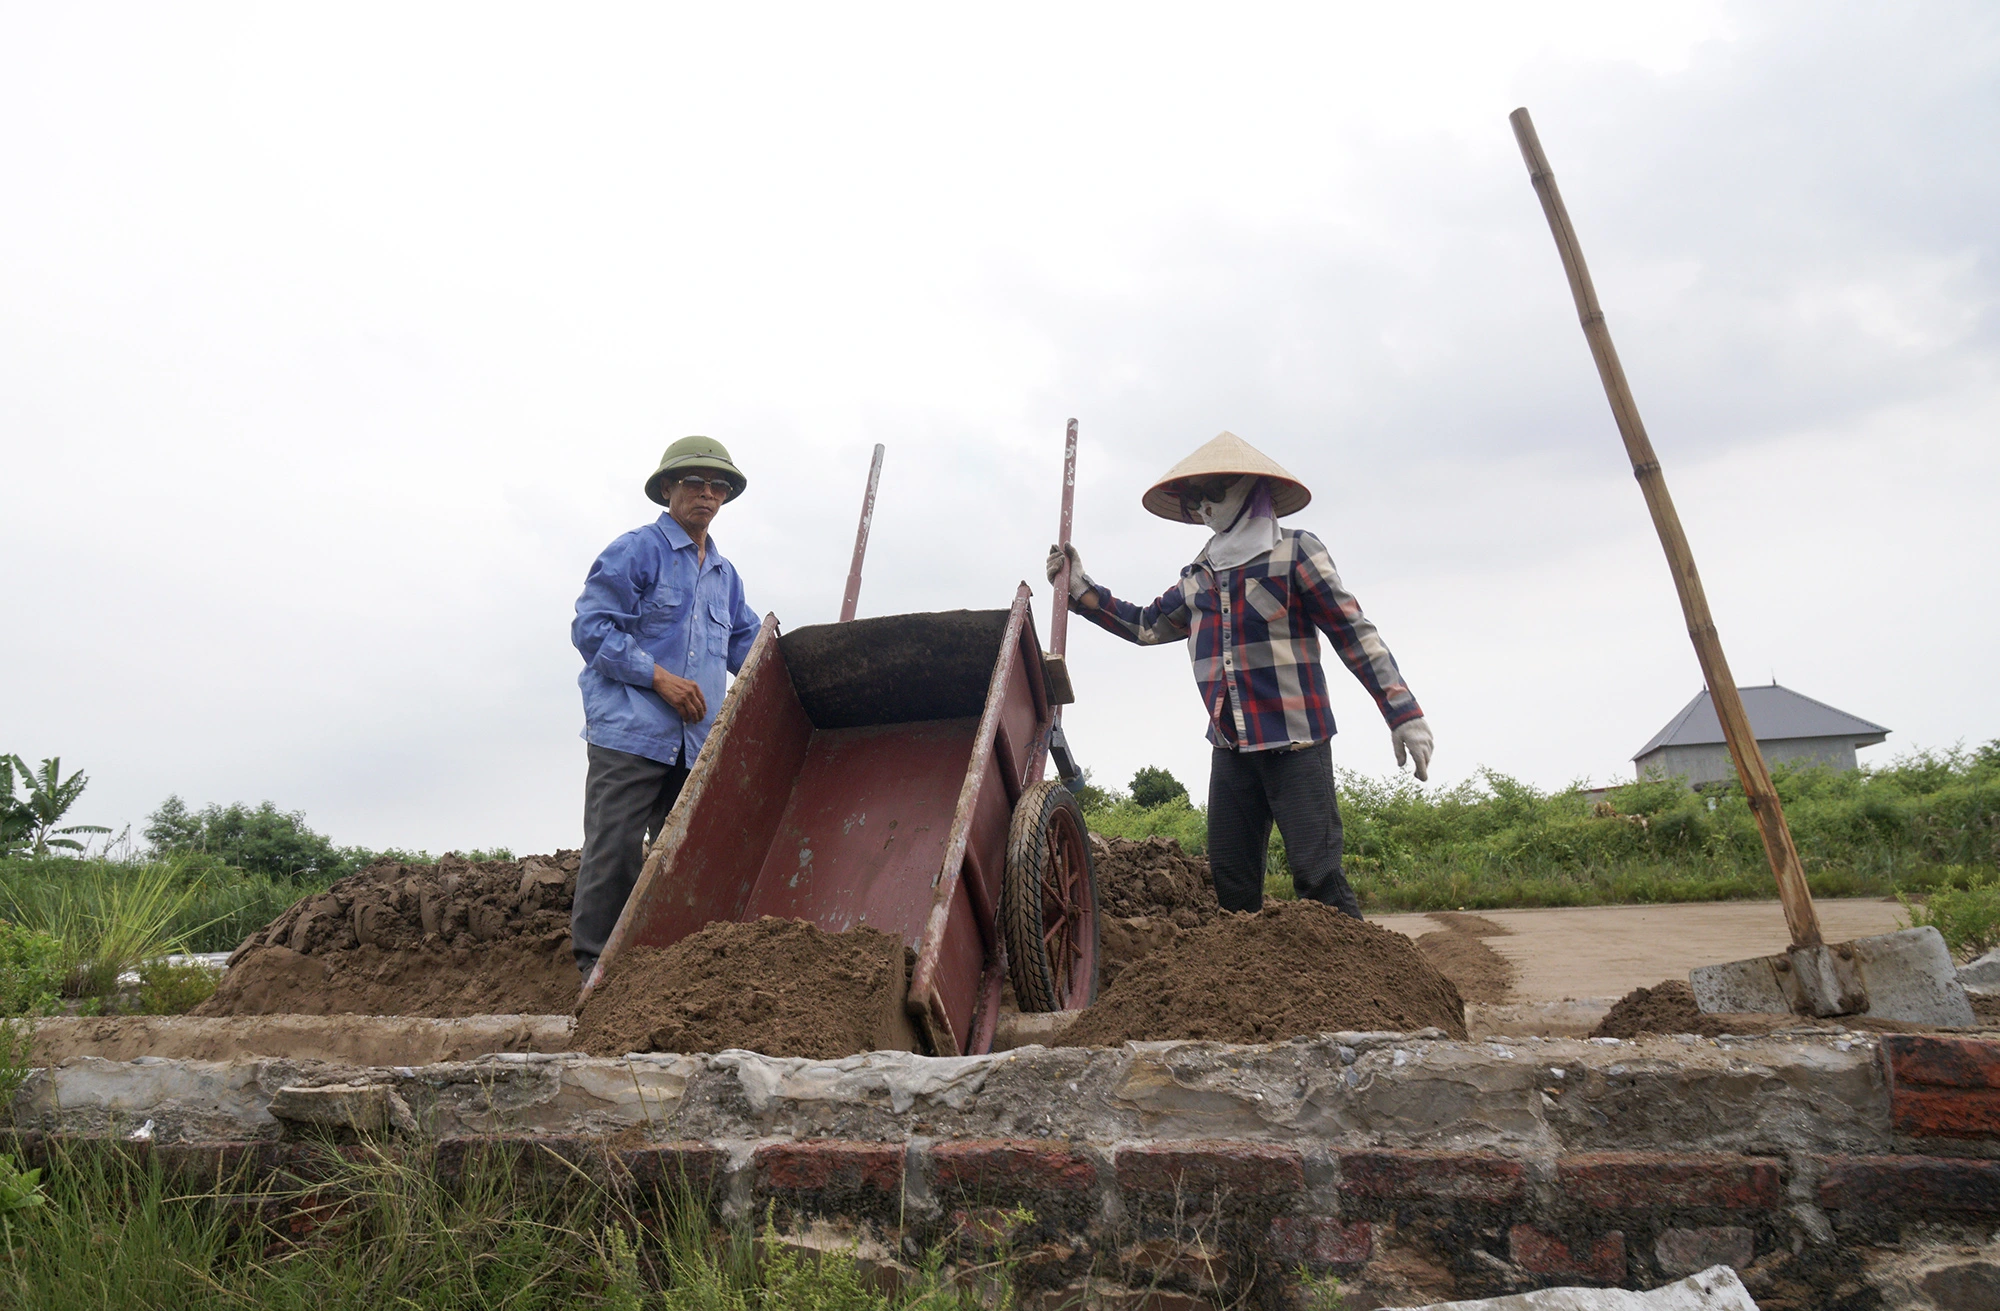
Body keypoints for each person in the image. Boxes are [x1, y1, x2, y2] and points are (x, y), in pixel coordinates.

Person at [1047, 430, 1433, 918]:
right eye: (1195, 497)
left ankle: (1359, 986)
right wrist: (1081, 589)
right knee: (1232, 883)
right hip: (1231, 751)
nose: (1205, 506)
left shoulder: (1296, 553)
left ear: (1250, 488)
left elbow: (1354, 635)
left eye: (1215, 491)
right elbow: (1145, 625)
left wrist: (1403, 714)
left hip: (1296, 744)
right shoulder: (1199, 575)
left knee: (1318, 879)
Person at [570, 436, 761, 978]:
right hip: (631, 731)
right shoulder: (637, 551)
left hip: (694, 741)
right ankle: (596, 968)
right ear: (667, 489)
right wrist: (660, 679)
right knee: (615, 846)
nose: (706, 493)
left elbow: (750, 649)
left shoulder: (725, 575)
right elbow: (592, 628)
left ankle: (676, 970)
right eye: (694, 482)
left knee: (688, 853)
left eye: (717, 485)